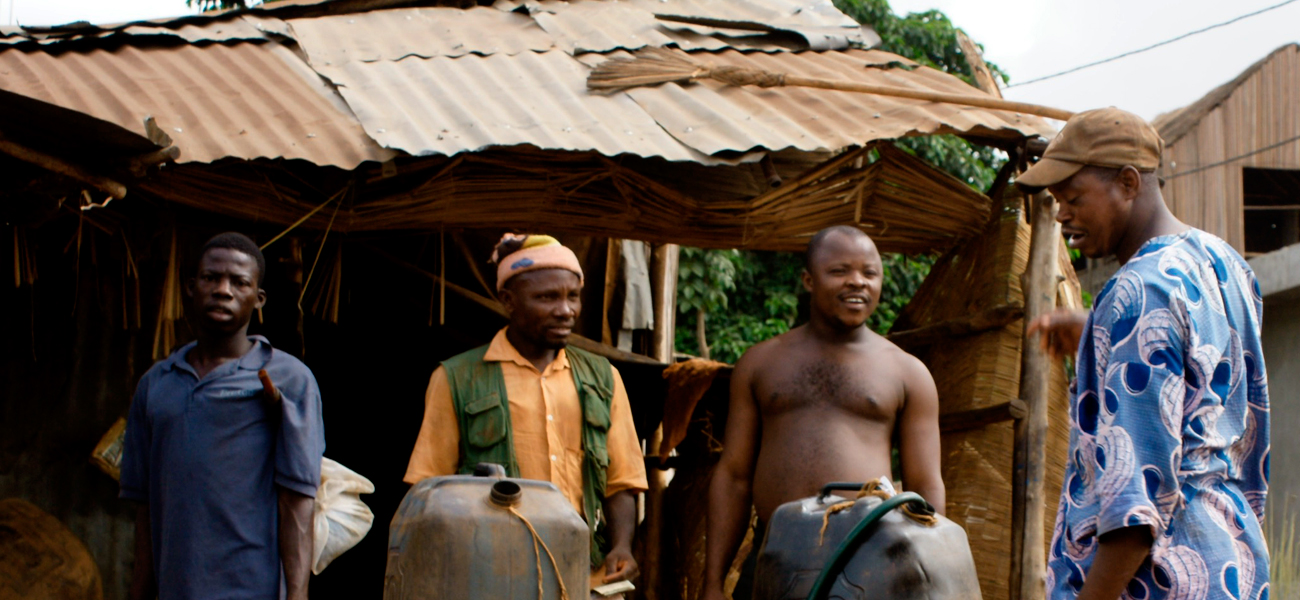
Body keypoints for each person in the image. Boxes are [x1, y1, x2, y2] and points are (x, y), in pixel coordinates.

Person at [1022, 107, 1270, 600]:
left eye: (1073, 198)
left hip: (1157, 579)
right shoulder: (1225, 265)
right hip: (1232, 558)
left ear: (1129, 182)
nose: (1063, 215)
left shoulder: (1136, 292)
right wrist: (1099, 331)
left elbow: (1134, 501)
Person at [703, 225, 945, 600]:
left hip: (869, 562)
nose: (857, 283)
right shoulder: (761, 363)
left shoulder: (907, 372)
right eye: (839, 271)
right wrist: (712, 582)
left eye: (869, 273)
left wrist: (931, 576)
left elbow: (926, 485)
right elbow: (733, 476)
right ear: (808, 280)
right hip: (775, 557)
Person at [404, 233, 648, 594]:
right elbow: (428, 489)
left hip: (585, 574)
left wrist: (622, 546)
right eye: (547, 297)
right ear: (508, 301)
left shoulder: (604, 379)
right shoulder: (456, 378)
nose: (565, 310)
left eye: (573, 296)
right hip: (491, 574)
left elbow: (622, 479)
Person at [120, 232, 326, 600]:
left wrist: (297, 596)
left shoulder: (289, 380)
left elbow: (297, 501)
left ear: (258, 299)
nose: (223, 290)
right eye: (211, 278)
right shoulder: (156, 385)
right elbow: (146, 508)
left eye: (239, 282)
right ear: (190, 287)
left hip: (251, 589)